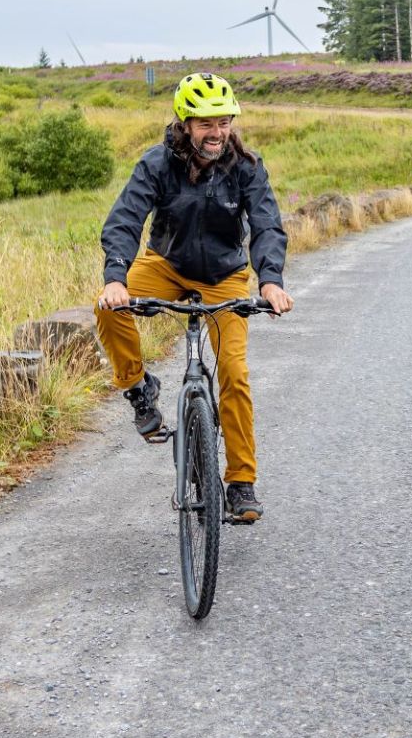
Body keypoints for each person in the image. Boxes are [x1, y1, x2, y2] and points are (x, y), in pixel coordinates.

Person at [94, 72, 292, 523]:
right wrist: (116, 279)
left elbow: (266, 224)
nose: (217, 133)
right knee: (104, 308)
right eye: (206, 123)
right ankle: (138, 388)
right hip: (167, 265)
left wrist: (270, 281)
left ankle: (240, 481)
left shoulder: (247, 166)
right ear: (185, 123)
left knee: (234, 372)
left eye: (224, 122)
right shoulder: (157, 164)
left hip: (225, 274)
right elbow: (125, 219)